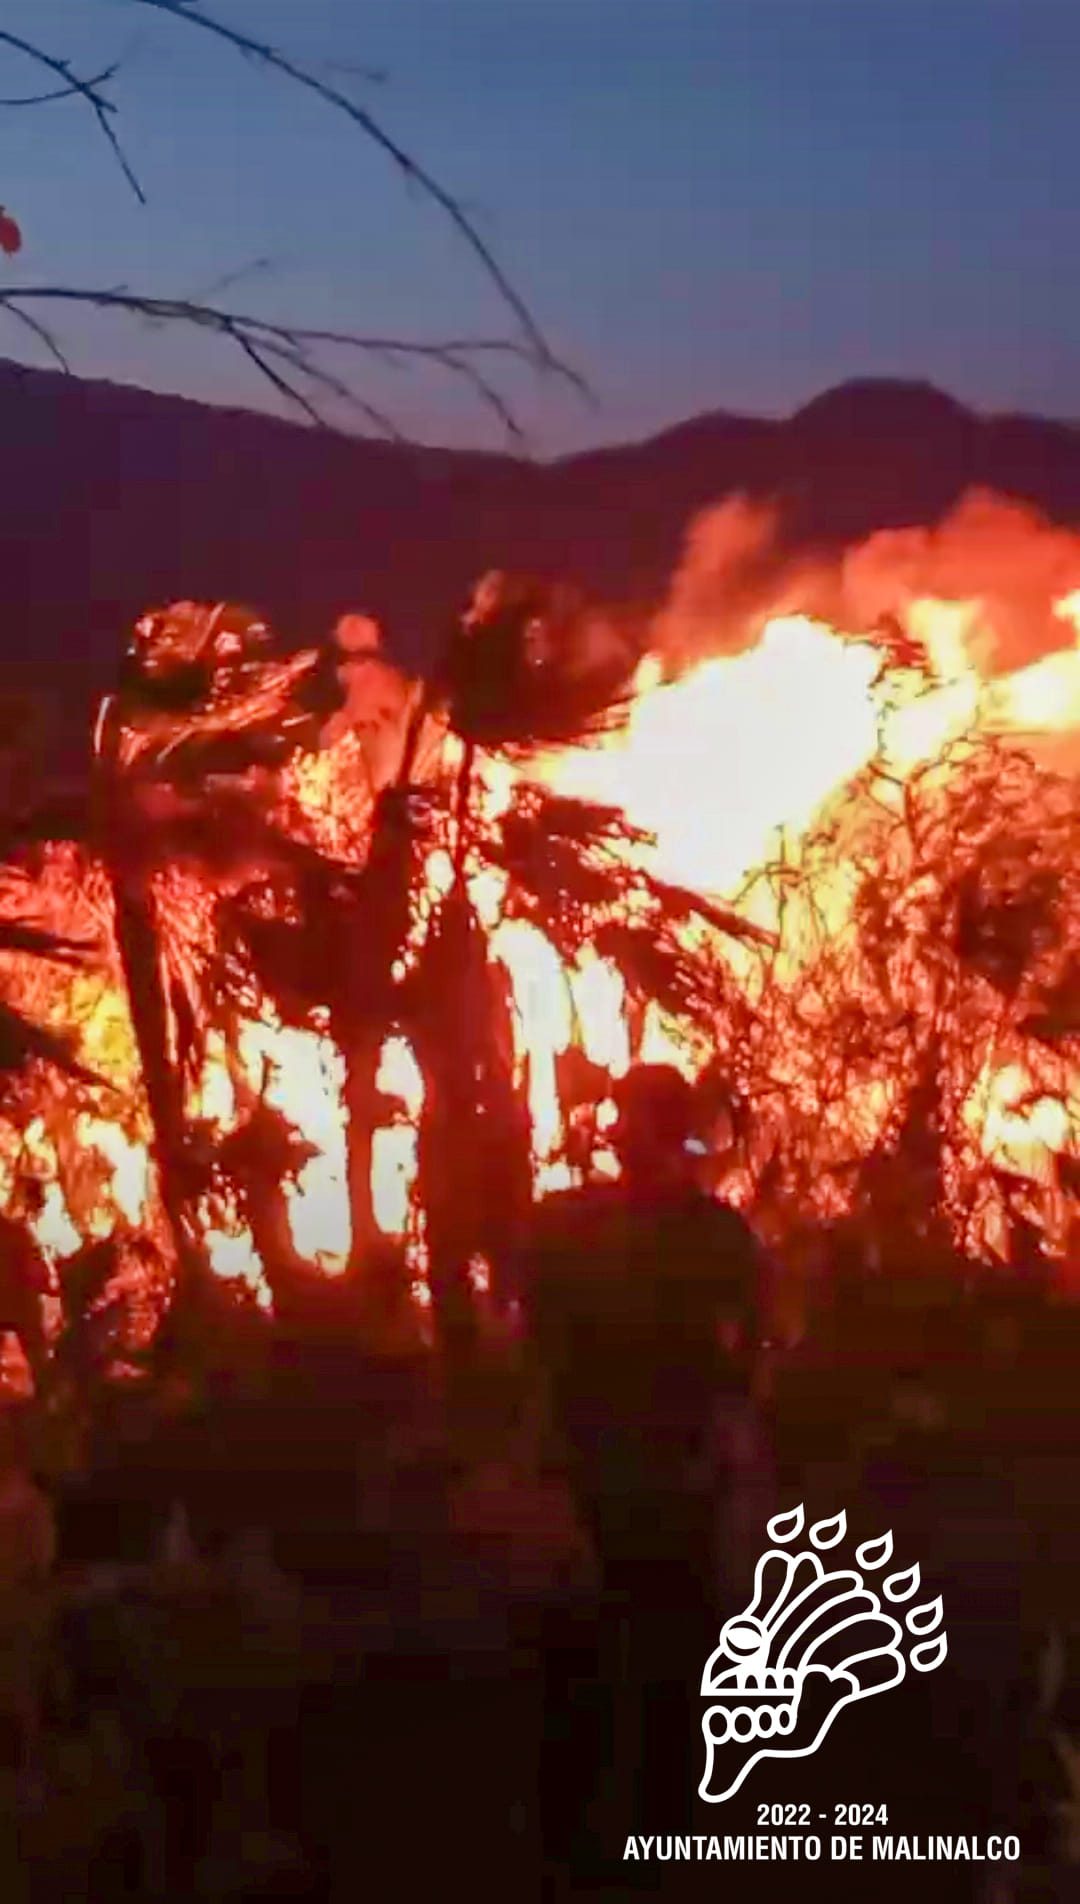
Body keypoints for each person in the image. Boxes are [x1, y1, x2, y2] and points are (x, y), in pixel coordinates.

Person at [518, 1064, 771, 1878]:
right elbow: (540, 1358)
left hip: (671, 1481)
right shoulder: (574, 1227)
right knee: (591, 1675)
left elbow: (748, 1358)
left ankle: (648, 1846)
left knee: (663, 1678)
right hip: (608, 1478)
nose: (639, 1144)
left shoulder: (713, 1237)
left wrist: (729, 1449)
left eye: (649, 1125)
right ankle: (587, 1849)